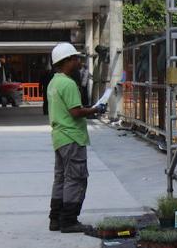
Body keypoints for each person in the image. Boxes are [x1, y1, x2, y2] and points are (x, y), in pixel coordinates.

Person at [47, 43, 106, 233]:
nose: (78, 62)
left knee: (61, 179)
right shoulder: (68, 83)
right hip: (73, 138)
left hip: (59, 138)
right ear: (67, 61)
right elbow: (76, 112)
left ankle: (55, 219)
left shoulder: (53, 82)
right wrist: (96, 109)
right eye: (75, 59)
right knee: (76, 179)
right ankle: (69, 220)